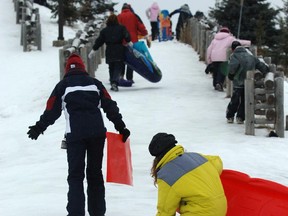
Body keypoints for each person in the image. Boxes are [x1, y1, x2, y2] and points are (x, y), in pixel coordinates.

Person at [27, 53, 130, 216]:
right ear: (83, 68)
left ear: (67, 69)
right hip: (97, 134)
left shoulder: (63, 86)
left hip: (75, 135)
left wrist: (39, 128)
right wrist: (121, 126)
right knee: (95, 174)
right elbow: (110, 105)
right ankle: (97, 212)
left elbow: (51, 110)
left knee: (75, 175)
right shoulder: (95, 84)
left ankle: (75, 213)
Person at [148, 132, 227, 216]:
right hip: (221, 208)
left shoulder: (167, 174)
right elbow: (217, 161)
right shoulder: (196, 157)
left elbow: (165, 211)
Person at [226, 41, 269, 124]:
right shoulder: (250, 56)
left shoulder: (234, 55)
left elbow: (233, 67)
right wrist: (266, 70)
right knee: (245, 100)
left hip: (238, 82)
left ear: (232, 49)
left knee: (235, 99)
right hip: (249, 82)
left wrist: (231, 76)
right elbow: (260, 65)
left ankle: (230, 116)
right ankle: (240, 117)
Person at [88, 14, 131, 92]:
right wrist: (129, 42)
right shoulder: (121, 28)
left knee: (111, 67)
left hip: (110, 50)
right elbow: (127, 36)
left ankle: (112, 82)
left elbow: (99, 41)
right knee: (118, 67)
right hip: (119, 49)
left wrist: (93, 50)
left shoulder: (105, 31)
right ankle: (114, 82)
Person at [206, 27, 251, 91]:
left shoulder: (214, 40)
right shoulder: (230, 39)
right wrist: (249, 43)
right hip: (223, 58)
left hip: (214, 58)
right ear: (228, 32)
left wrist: (209, 60)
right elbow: (239, 42)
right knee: (221, 71)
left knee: (215, 71)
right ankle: (219, 83)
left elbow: (209, 49)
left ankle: (215, 83)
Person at [118, 3, 149, 82]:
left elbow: (116, 28)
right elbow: (140, 26)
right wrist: (145, 35)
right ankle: (130, 78)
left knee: (122, 59)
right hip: (133, 41)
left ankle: (121, 76)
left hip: (122, 41)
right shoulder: (134, 16)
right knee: (131, 59)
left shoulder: (119, 16)